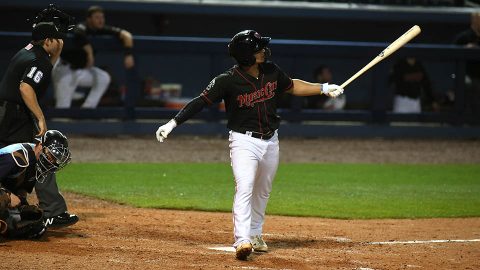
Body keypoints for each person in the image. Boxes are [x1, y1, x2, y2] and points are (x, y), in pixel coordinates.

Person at [155, 30, 344, 260]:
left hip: (271, 140)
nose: (263, 50)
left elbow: (292, 85)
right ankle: (242, 239)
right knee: (245, 186)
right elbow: (200, 102)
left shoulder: (271, 70)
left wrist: (323, 88)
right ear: (247, 56)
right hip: (244, 141)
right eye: (258, 49)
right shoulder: (227, 80)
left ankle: (255, 234)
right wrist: (173, 123)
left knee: (262, 190)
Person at [0, 7, 78, 229]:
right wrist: (41, 118)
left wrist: (55, 51)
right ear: (48, 40)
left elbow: (41, 69)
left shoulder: (29, 51)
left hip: (7, 113)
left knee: (13, 157)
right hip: (15, 115)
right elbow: (26, 88)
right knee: (42, 154)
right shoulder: (40, 59)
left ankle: (12, 203)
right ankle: (53, 211)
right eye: (58, 39)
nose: (61, 42)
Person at [53, 5, 135, 108]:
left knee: (103, 77)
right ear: (89, 19)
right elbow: (78, 33)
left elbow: (126, 35)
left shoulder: (101, 29)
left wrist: (128, 54)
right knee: (62, 110)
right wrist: (90, 53)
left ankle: (87, 109)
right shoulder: (82, 26)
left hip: (81, 71)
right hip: (65, 70)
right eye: (97, 17)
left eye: (102, 17)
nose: (101, 20)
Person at [0, 130, 71, 239]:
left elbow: (21, 191)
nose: (52, 162)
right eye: (50, 155)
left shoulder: (35, 162)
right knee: (3, 199)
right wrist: (8, 195)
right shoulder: (15, 157)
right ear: (40, 146)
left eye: (55, 160)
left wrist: (22, 206)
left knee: (34, 222)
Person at [454, 12, 480, 116]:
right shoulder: (463, 37)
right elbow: (452, 52)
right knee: (467, 101)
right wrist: (464, 49)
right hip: (467, 75)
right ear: (473, 20)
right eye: (478, 18)